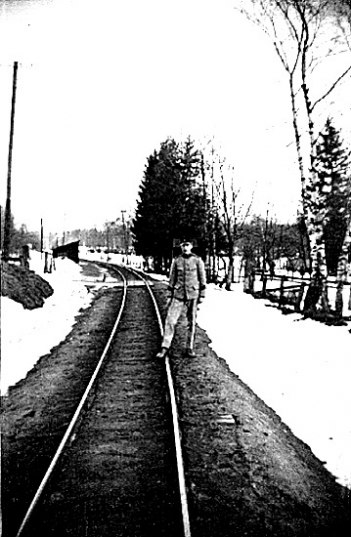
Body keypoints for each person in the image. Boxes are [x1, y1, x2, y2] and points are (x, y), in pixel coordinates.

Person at [156, 239, 206, 359]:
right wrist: (169, 294)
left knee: (191, 322)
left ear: (191, 246)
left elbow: (202, 278)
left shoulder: (197, 260)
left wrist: (202, 294)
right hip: (178, 294)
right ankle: (165, 347)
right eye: (183, 245)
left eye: (187, 245)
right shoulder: (176, 261)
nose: (185, 248)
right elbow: (172, 279)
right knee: (170, 320)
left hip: (193, 294)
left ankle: (189, 348)